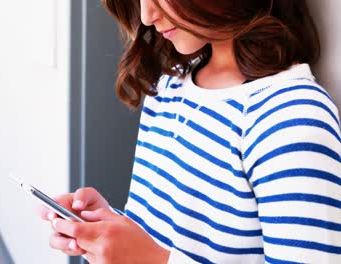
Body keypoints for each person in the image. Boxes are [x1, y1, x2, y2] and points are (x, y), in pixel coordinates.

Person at [38, 0, 341, 263]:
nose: (146, 15)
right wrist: (110, 232)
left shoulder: (292, 119)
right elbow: (169, 240)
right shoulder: (171, 84)